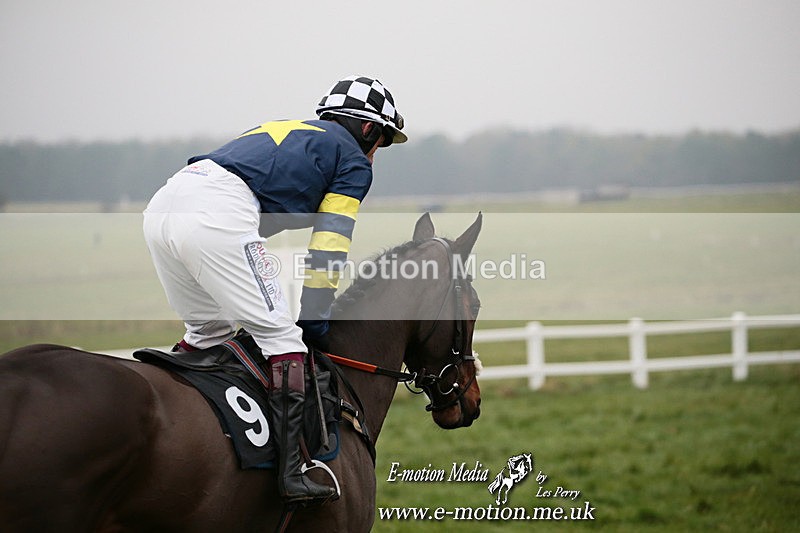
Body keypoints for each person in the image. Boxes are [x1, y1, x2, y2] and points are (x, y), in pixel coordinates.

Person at [142, 75, 406, 504]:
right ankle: (293, 473)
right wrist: (314, 318)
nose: (377, 155)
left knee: (208, 335)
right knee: (285, 341)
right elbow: (331, 244)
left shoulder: (292, 131)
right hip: (217, 214)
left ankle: (187, 435)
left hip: (164, 205)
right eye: (383, 142)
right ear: (368, 130)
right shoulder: (353, 160)